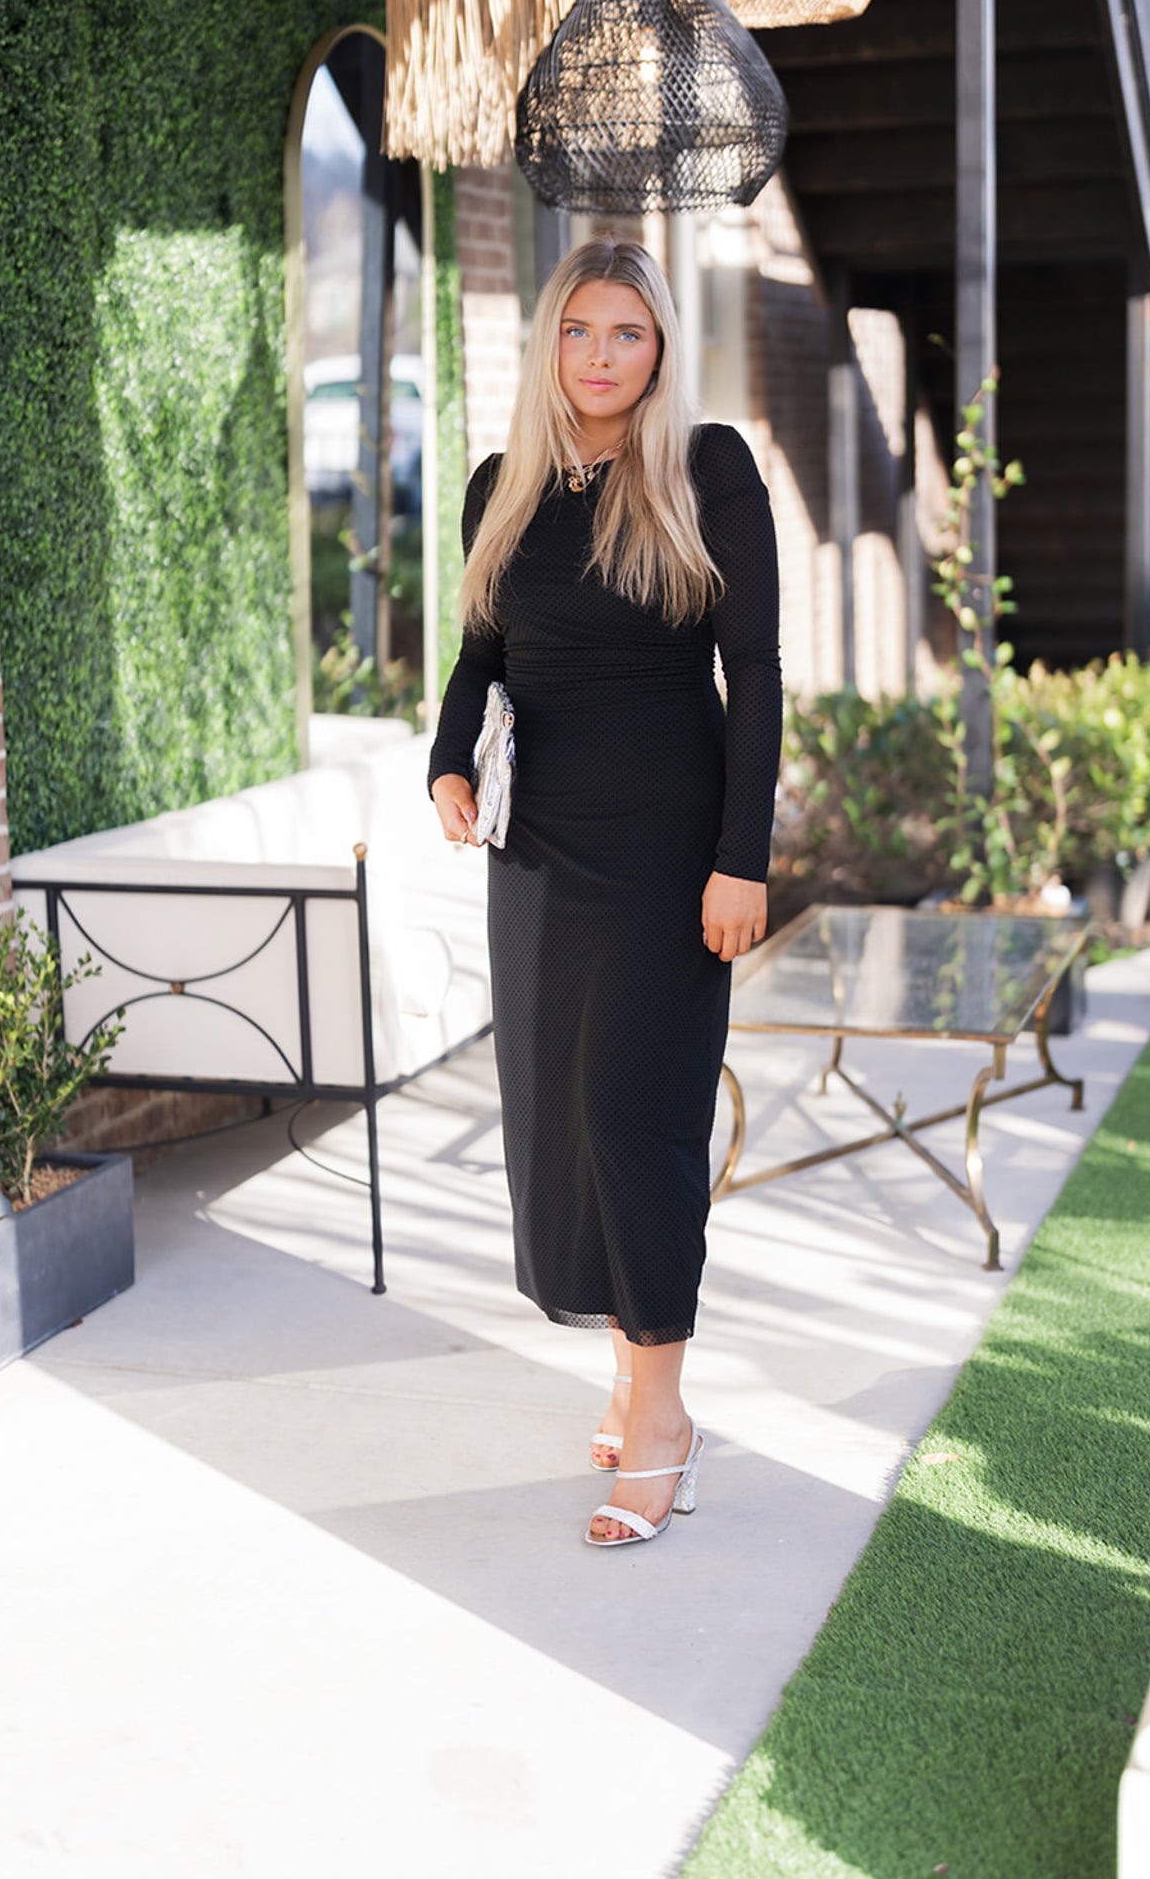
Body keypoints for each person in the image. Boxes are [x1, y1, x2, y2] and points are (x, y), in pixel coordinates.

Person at [428, 236, 781, 1547]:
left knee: (638, 1119)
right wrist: (445, 762)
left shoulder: (706, 469)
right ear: (549, 343)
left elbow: (757, 673)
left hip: (665, 853)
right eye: (578, 330)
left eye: (627, 332)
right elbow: (480, 650)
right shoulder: (503, 483)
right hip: (535, 851)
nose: (600, 355)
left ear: (661, 348)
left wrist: (742, 858)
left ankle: (665, 1418)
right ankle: (629, 1380)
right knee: (562, 1122)